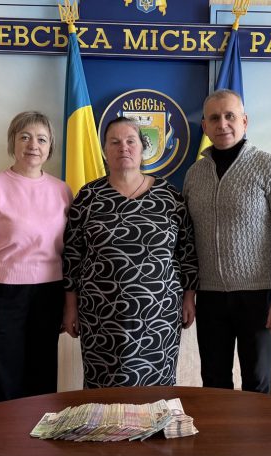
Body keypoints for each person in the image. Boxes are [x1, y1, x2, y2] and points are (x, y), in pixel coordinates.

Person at [183, 89, 271, 394]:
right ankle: (218, 428)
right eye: (214, 118)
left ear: (245, 121)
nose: (222, 124)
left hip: (259, 296)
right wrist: (188, 293)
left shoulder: (269, 167)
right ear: (205, 126)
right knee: (214, 383)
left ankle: (259, 430)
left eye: (230, 116)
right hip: (210, 297)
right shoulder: (194, 175)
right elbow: (186, 240)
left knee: (257, 384)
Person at [62, 117, 198, 389]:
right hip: (100, 314)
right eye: (114, 142)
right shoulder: (88, 196)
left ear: (143, 148)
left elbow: (187, 252)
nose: (123, 147)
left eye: (130, 141)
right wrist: (70, 307)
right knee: (103, 393)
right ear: (104, 151)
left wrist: (189, 298)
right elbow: (72, 256)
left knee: (156, 393)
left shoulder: (170, 196)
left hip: (159, 314)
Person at [0, 111, 72, 406]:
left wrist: (67, 305)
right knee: (0, 378)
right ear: (12, 142)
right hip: (1, 297)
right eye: (25, 137)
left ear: (50, 147)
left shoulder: (62, 191)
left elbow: (70, 252)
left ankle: (39, 433)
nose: (33, 145)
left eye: (42, 139)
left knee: (41, 377)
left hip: (48, 296)